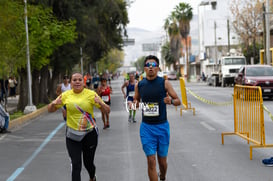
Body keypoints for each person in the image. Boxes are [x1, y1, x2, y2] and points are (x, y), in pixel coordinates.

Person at [48, 72, 110, 181]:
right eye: (74, 80)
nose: (77, 82)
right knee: (76, 165)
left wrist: (101, 104)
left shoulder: (91, 94)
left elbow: (107, 110)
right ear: (71, 83)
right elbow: (50, 110)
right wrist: (53, 104)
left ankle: (92, 176)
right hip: (72, 135)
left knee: (88, 163)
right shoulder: (66, 95)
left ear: (83, 81)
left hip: (89, 134)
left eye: (80, 80)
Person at [134, 55, 181, 181]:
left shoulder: (164, 83)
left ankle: (163, 176)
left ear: (158, 68)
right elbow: (135, 101)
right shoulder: (139, 85)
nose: (150, 67)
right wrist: (133, 104)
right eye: (148, 65)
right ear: (144, 68)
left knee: (162, 162)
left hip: (162, 127)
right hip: (146, 128)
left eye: (153, 65)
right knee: (151, 160)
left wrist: (170, 101)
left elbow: (178, 101)